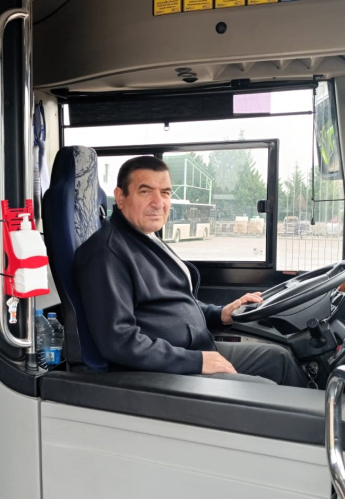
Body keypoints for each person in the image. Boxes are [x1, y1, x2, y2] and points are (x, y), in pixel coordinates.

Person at [74, 156, 308, 386]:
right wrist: (197, 361)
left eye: (165, 193)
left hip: (192, 350)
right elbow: (119, 341)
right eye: (145, 192)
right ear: (120, 197)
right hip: (161, 371)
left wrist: (220, 314)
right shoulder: (107, 254)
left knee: (279, 359)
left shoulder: (145, 238)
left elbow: (174, 301)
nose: (158, 203)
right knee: (264, 391)